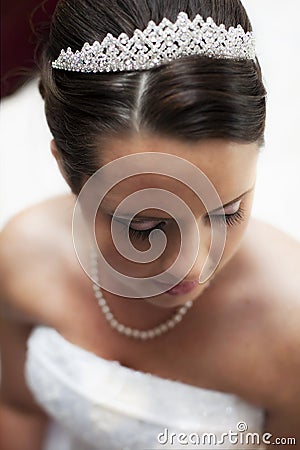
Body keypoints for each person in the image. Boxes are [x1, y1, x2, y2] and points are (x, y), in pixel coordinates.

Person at [0, 0, 299, 449]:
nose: (191, 268)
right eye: (143, 226)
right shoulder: (22, 258)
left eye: (226, 212)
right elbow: (16, 408)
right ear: (66, 170)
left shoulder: (290, 325)